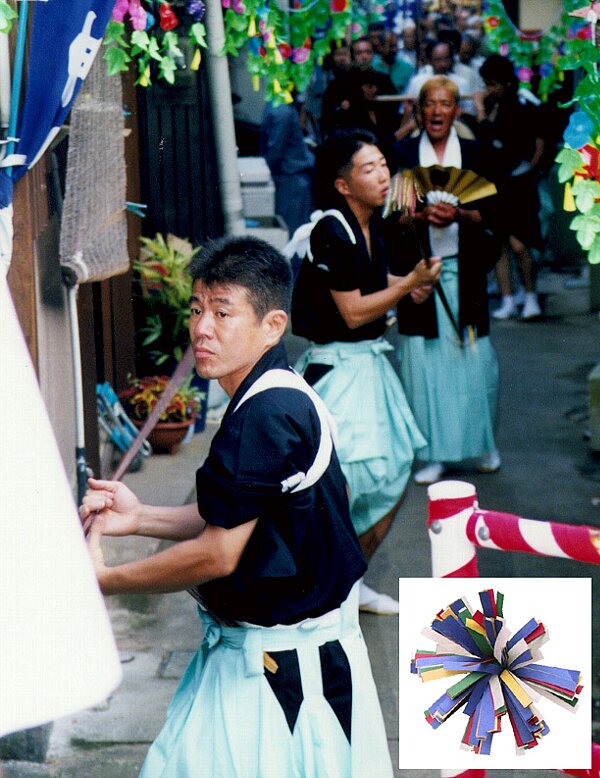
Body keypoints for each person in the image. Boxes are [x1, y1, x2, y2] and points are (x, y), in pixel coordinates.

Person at [80, 235, 393, 777]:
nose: (202, 328)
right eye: (198, 309)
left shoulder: (266, 415)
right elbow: (237, 514)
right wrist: (141, 518)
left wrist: (104, 580)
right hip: (282, 658)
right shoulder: (274, 391)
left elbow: (219, 554)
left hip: (281, 675)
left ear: (272, 325)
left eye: (223, 312)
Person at [291, 129, 441, 613]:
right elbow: (354, 311)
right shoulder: (330, 229)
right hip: (338, 369)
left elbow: (371, 283)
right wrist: (409, 285)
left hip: (369, 367)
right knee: (345, 480)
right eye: (369, 169)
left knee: (395, 470)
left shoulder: (370, 224)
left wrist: (406, 285)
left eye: (384, 165)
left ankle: (350, 581)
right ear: (342, 184)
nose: (383, 177)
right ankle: (324, 590)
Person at [390, 76, 501, 486]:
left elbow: (492, 214)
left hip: (465, 270)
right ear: (419, 112)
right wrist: (418, 217)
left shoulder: (474, 154)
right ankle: (434, 452)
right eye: (429, 104)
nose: (437, 112)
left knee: (475, 362)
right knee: (424, 364)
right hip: (420, 273)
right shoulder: (402, 153)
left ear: (457, 110)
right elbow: (394, 215)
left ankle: (483, 442)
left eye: (446, 104)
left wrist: (461, 215)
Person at [477, 54, 544, 320]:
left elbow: (499, 136)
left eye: (493, 84)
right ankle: (507, 299)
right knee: (499, 244)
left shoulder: (520, 104)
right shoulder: (496, 104)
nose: (490, 89)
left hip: (519, 182)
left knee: (520, 244)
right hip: (496, 182)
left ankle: (530, 295)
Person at [260, 97, 315, 237]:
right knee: (292, 234)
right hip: (289, 179)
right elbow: (275, 150)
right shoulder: (282, 109)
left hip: (291, 178)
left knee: (293, 235)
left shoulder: (278, 107)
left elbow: (275, 150)